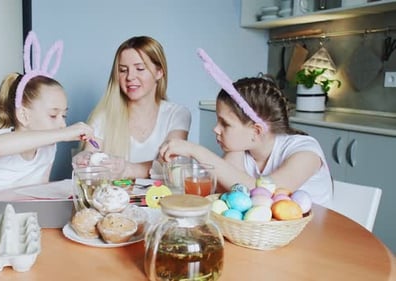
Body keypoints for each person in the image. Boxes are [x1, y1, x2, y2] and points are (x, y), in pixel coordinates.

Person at [159, 49, 332, 205]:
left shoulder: (306, 152)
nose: (216, 129)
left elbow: (265, 194)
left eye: (225, 124)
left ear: (256, 131)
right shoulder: (240, 149)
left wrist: (195, 150)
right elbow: (223, 195)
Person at [0, 31, 95, 199]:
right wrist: (64, 134)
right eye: (53, 115)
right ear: (24, 116)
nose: (62, 124)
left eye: (64, 116)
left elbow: (40, 191)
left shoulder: (48, 148)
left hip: (16, 215)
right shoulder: (0, 139)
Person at [74, 36, 191, 179]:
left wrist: (127, 169)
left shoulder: (177, 115)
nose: (130, 77)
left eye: (140, 69)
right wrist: (85, 160)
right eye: (123, 70)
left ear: (159, 72)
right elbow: (91, 157)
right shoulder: (102, 116)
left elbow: (170, 166)